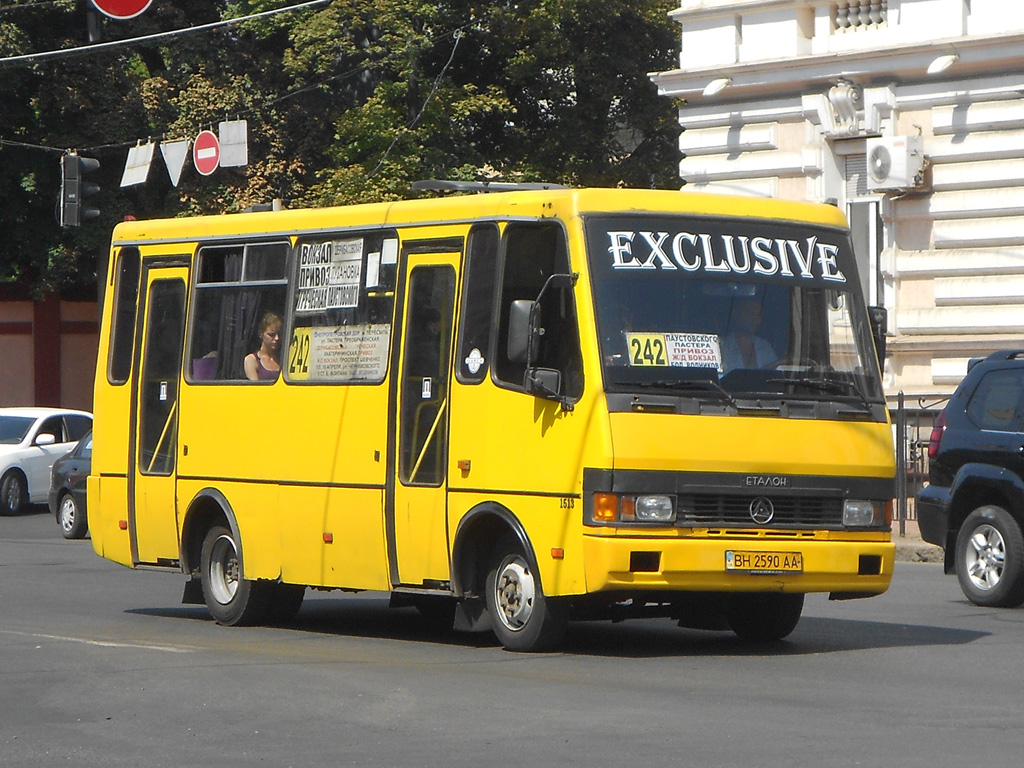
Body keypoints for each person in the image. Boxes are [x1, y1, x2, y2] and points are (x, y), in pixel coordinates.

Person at [721, 296, 777, 370]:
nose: (754, 319)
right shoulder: (722, 347)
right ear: (736, 314)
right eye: (749, 313)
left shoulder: (765, 347)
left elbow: (774, 374)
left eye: (758, 315)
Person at [244, 311, 282, 381]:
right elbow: (255, 389)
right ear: (261, 334)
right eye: (271, 334)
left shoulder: (282, 359)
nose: (277, 338)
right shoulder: (252, 360)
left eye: (278, 334)